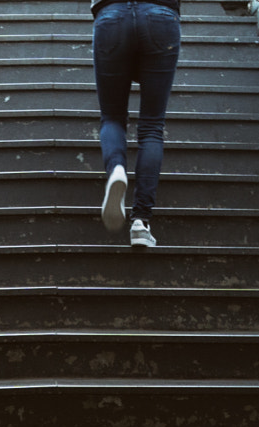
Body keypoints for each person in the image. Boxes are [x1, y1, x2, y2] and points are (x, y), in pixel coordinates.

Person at [92, 0, 181, 248]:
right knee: (152, 125)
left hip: (110, 15)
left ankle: (117, 169)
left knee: (112, 116)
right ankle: (141, 221)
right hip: (161, 15)